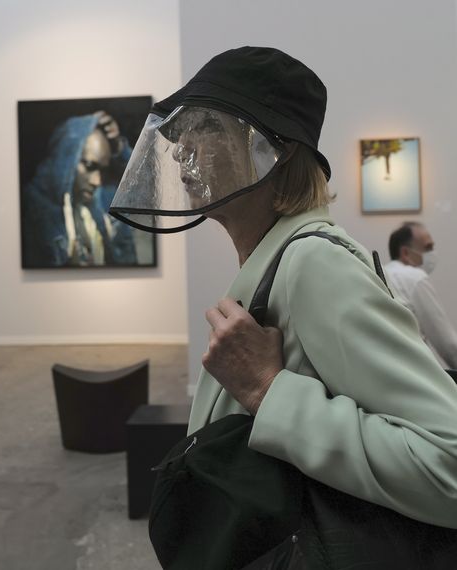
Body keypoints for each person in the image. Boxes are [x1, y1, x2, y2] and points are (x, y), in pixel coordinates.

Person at [110, 45, 457, 531]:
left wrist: (267, 391)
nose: (183, 148)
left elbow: (450, 463)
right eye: (180, 132)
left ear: (278, 151)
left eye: (208, 127)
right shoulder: (274, 260)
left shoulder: (315, 264)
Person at [22, 111, 137, 267]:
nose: (97, 181)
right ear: (67, 157)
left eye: (102, 170)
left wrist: (120, 148)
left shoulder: (102, 201)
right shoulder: (34, 207)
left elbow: (146, 186)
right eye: (89, 166)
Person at [384, 222, 457, 368]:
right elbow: (447, 345)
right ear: (405, 253)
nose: (432, 254)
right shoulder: (415, 278)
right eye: (427, 248)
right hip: (414, 372)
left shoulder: (381, 273)